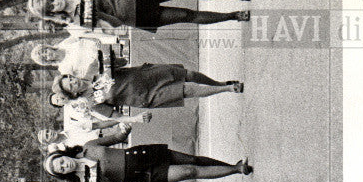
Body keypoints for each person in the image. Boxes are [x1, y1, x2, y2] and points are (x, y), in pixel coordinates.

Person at [27, 0, 252, 32]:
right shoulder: (75, 22)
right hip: (136, 16)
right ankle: (233, 16)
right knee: (187, 15)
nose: (53, 3)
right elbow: (111, 26)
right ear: (52, 14)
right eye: (49, 8)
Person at [44, 138, 252, 182]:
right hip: (140, 176)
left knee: (192, 160)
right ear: (64, 175)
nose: (65, 166)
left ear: (63, 155)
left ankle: (233, 165)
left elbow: (117, 136)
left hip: (141, 155)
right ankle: (236, 169)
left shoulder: (89, 147)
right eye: (61, 170)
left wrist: (126, 125)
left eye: (60, 162)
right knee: (189, 171)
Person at [53, 65, 243, 108]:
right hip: (145, 97)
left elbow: (119, 60)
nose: (73, 81)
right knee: (187, 89)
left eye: (70, 78)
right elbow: (116, 116)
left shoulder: (93, 67)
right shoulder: (92, 102)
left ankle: (220, 83)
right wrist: (134, 119)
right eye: (70, 86)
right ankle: (226, 89)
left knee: (190, 75)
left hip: (146, 75)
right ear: (73, 94)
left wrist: (110, 66)